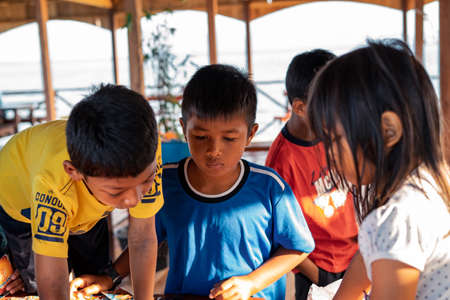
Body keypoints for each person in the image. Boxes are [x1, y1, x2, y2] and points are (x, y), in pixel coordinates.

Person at [156, 64, 315, 300]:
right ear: (183, 128)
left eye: (229, 138)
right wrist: (110, 275)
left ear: (251, 134)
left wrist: (251, 283)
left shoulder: (270, 188)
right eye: (200, 137)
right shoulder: (165, 183)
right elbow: (144, 240)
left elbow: (297, 247)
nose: (214, 150)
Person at [306, 39, 450, 300]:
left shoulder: (397, 218)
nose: (328, 154)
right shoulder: (431, 186)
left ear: (388, 131)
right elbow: (366, 260)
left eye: (334, 140)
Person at [0, 84, 164, 300]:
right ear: (74, 171)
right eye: (117, 191)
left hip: (86, 206)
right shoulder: (53, 182)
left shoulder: (145, 150)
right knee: (34, 287)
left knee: (95, 281)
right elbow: (52, 280)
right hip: (20, 208)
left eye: (146, 181)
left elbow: (143, 237)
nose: (134, 200)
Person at [265, 49, 359, 300]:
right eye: (330, 104)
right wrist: (319, 276)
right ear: (300, 107)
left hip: (357, 261)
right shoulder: (281, 161)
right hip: (316, 275)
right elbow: (280, 234)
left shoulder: (335, 136)